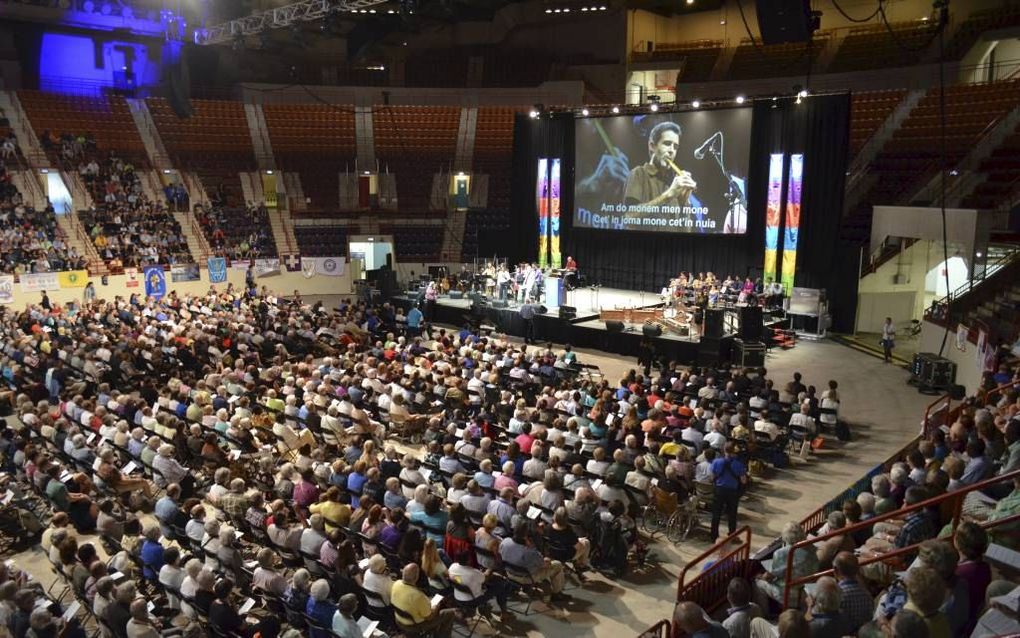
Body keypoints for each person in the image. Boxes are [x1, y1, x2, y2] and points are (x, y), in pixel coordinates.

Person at [624, 121, 697, 210]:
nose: (672, 151)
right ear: (652, 146)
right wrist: (668, 195)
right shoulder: (638, 174)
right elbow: (629, 216)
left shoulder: (674, 181)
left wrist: (683, 203)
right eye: (667, 144)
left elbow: (682, 224)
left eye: (675, 147)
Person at [391, 563, 455, 637]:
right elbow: (429, 617)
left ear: (403, 573)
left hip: (399, 621)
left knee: (430, 600)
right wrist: (436, 605)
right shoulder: (417, 596)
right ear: (416, 577)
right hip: (415, 626)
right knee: (449, 613)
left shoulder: (396, 583)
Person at [710, 441, 747, 541]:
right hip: (732, 491)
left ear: (724, 450)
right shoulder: (738, 464)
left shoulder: (716, 462)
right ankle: (732, 535)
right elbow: (743, 480)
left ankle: (714, 535)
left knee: (716, 514)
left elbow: (712, 477)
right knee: (732, 515)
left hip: (719, 490)